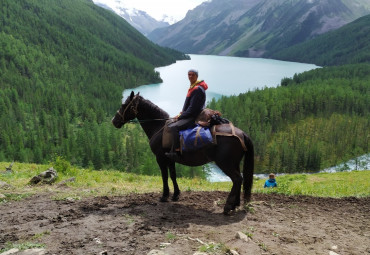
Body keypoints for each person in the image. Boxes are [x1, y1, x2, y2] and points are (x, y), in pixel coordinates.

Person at [165, 69, 208, 159]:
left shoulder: (197, 89)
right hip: (190, 114)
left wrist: (181, 116)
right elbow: (189, 106)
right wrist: (181, 113)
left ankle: (177, 152)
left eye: (192, 75)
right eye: (189, 75)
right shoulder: (194, 87)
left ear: (196, 76)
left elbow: (192, 109)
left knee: (174, 127)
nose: (190, 77)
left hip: (193, 116)